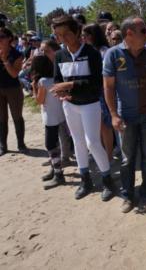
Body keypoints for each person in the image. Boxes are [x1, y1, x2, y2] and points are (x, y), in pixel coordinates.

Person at [103, 17, 146, 214]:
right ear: (129, 34)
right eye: (144, 31)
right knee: (127, 159)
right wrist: (113, 114)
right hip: (125, 118)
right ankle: (128, 195)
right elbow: (109, 86)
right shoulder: (113, 55)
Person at [51, 14, 115, 201]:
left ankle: (107, 180)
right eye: (58, 35)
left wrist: (70, 86)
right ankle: (85, 180)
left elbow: (96, 82)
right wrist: (61, 92)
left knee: (92, 143)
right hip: (69, 105)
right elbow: (57, 80)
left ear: (78, 32)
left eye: (66, 34)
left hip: (90, 104)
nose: (62, 39)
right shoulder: (59, 55)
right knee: (78, 142)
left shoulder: (91, 53)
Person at [31, 55, 67, 189]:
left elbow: (39, 101)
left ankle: (58, 174)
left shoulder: (42, 81)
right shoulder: (56, 78)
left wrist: (34, 88)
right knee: (56, 143)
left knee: (50, 145)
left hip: (50, 117)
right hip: (60, 114)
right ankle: (54, 169)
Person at [82, 23, 114, 163]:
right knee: (95, 126)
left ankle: (109, 156)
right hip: (90, 92)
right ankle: (99, 153)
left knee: (105, 126)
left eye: (85, 35)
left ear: (92, 36)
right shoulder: (87, 50)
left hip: (102, 91)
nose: (82, 38)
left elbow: (107, 73)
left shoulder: (104, 51)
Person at [0, 27, 27, 156]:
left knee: (17, 116)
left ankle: (21, 144)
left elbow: (14, 74)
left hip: (13, 89)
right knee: (1, 118)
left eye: (1, 36)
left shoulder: (17, 54)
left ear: (9, 38)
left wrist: (5, 60)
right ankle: (3, 145)